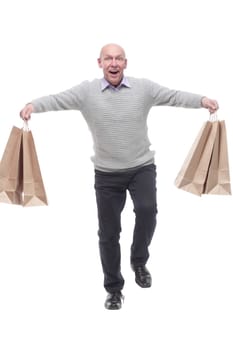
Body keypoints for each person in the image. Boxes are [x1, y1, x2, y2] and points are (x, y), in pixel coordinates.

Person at [20, 43, 219, 310]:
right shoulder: (86, 92)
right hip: (106, 174)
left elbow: (173, 96)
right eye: (108, 59)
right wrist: (33, 105)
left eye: (118, 59)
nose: (113, 63)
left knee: (148, 211)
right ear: (99, 63)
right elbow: (57, 99)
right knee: (109, 233)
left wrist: (201, 100)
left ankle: (138, 261)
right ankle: (114, 288)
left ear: (126, 63)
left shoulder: (143, 89)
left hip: (141, 167)